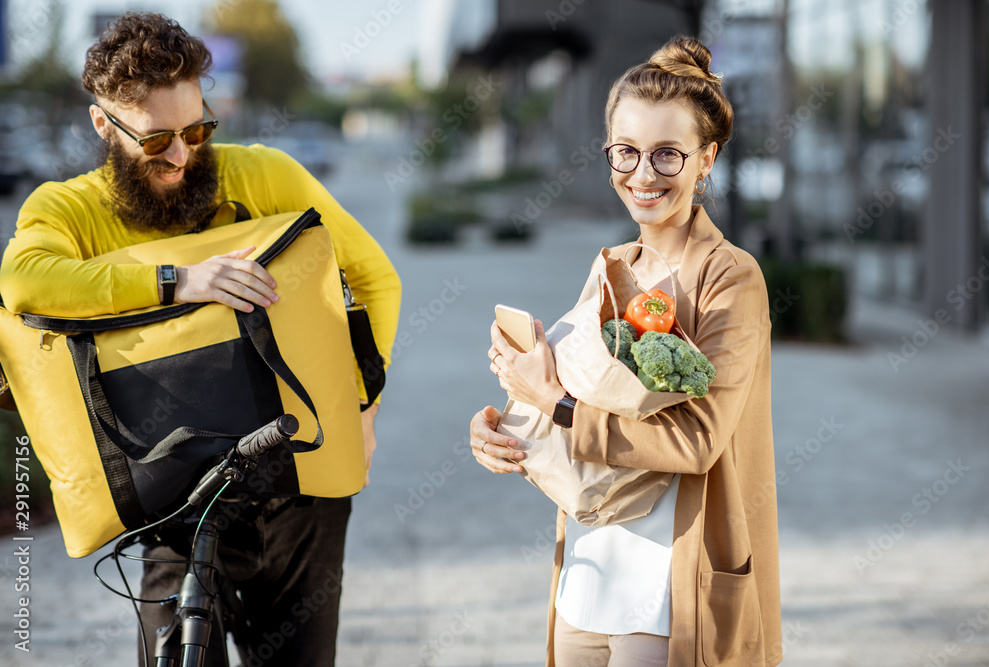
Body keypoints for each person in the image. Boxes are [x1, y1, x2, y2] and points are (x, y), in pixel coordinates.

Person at [0, 12, 401, 665]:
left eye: (197, 129)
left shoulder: (263, 175)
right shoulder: (65, 208)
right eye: (158, 140)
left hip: (298, 480)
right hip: (171, 497)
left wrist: (364, 408)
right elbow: (22, 282)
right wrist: (179, 280)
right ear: (105, 125)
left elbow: (374, 279)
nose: (184, 155)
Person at [470, 36, 781, 667]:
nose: (642, 174)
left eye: (668, 155)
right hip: (587, 573)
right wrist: (504, 428)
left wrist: (554, 404)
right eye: (627, 152)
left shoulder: (731, 278)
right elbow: (575, 394)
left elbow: (696, 443)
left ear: (706, 160)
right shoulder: (613, 266)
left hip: (671, 587)